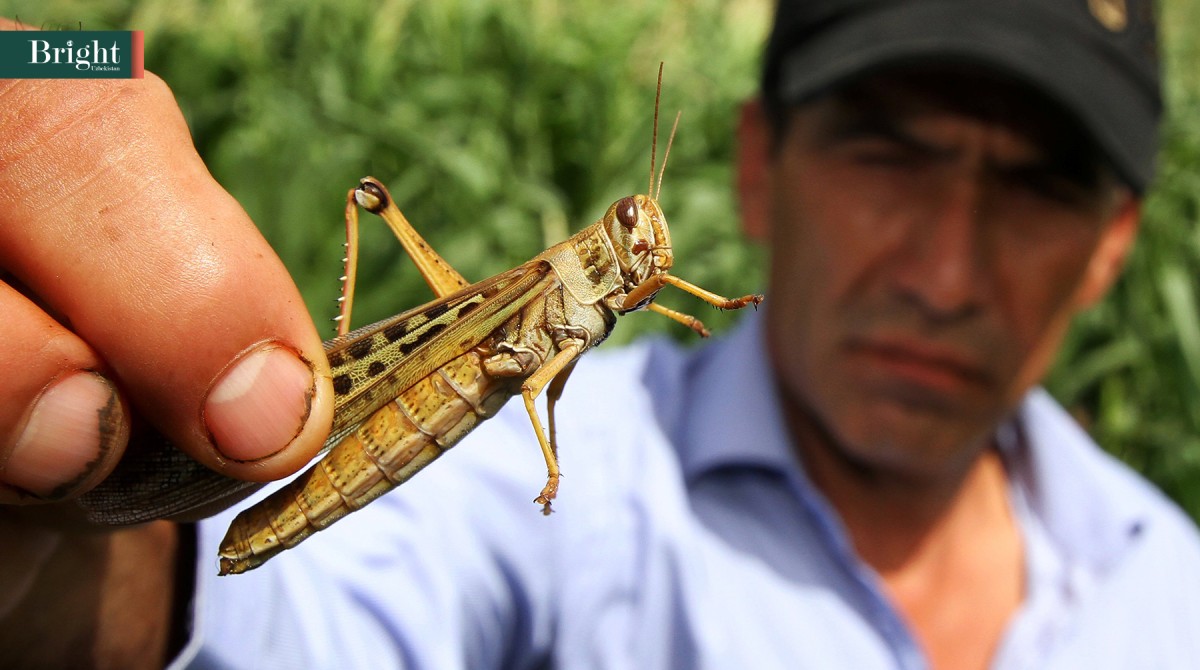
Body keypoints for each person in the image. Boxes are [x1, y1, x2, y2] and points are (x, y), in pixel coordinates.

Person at [3, 1, 1199, 668]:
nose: (945, 271)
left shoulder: (1175, 598)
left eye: (1039, 185)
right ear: (761, 167)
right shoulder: (603, 487)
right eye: (888, 152)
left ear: (1115, 245)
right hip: (430, 369)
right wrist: (81, 568)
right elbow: (315, 633)